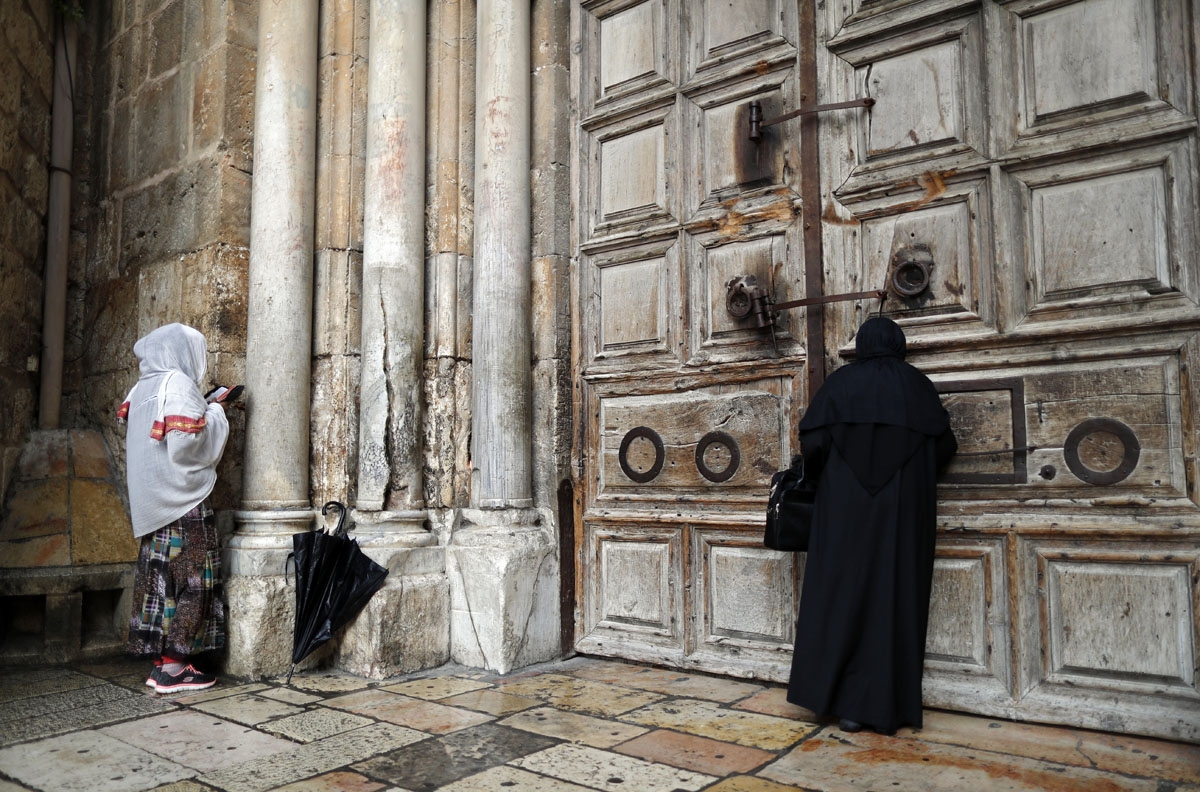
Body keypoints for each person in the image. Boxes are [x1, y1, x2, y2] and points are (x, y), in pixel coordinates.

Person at [786, 316, 957, 734]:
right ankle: (874, 707)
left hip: (843, 512)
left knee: (837, 598)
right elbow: (944, 448)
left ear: (862, 344)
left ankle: (830, 699)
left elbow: (812, 445)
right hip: (902, 514)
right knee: (892, 601)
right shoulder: (917, 387)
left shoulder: (841, 386)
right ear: (899, 345)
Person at [118, 323, 231, 693]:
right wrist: (216, 411)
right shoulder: (177, 384)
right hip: (184, 500)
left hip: (153, 503)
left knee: (160, 580)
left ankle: (161, 662)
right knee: (195, 579)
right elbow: (186, 443)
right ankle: (176, 667)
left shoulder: (141, 389)